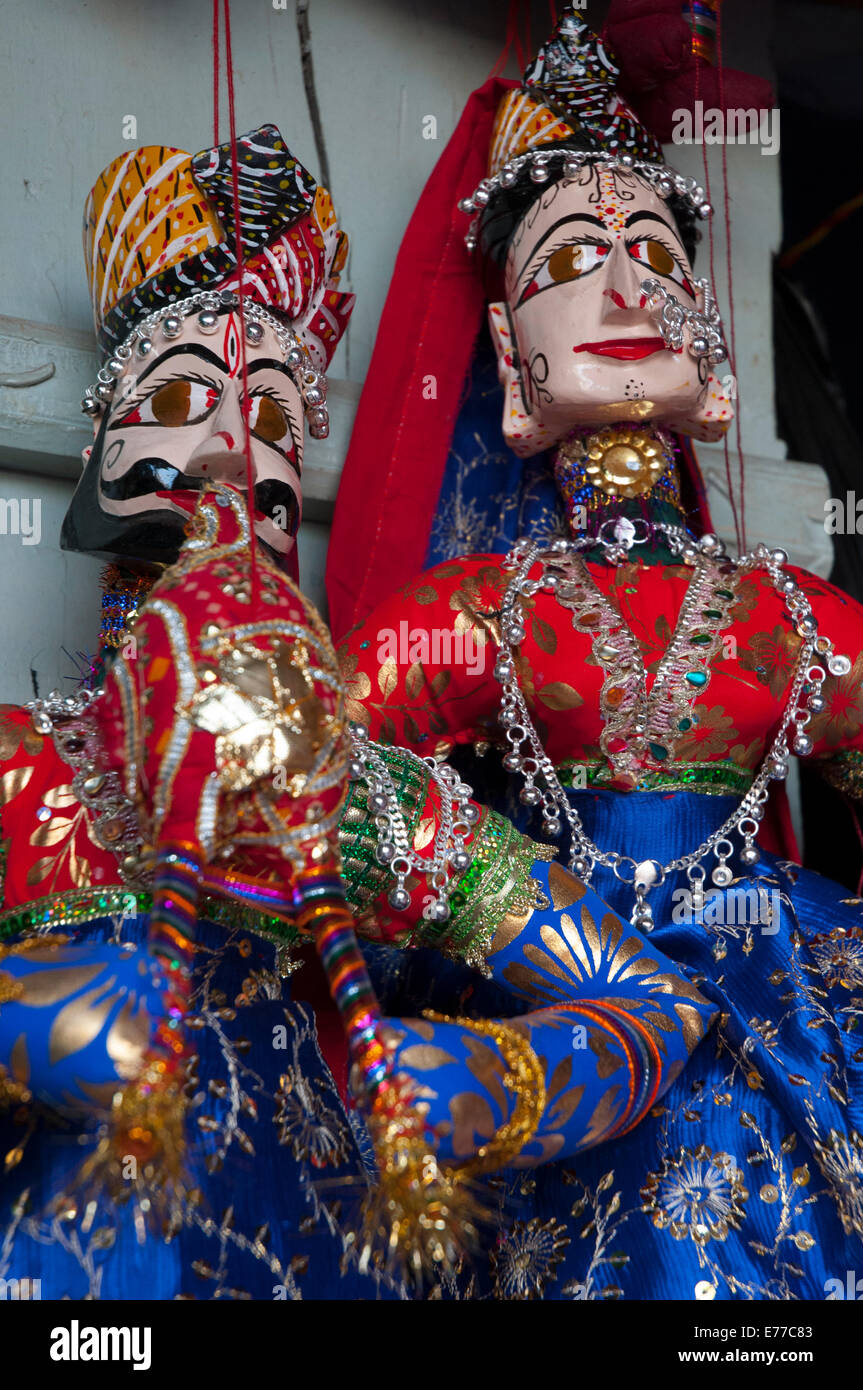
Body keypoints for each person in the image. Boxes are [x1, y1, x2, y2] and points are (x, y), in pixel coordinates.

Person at [0, 118, 713, 1300]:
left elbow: (657, 1001)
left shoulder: (357, 802)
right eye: (184, 393)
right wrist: (23, 1022)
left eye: (280, 417)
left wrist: (509, 1080)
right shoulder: (30, 771)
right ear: (99, 438)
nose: (237, 446)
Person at [328, 10, 863, 1299]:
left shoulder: (796, 614)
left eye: (656, 254)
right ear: (512, 355)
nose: (628, 287)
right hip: (562, 1009)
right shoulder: (475, 612)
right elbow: (312, 783)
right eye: (572, 257)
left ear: (707, 339)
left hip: (787, 1004)